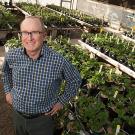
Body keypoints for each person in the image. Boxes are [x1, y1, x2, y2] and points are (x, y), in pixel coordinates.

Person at [2, 16, 82, 135]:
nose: (29, 38)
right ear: (21, 35)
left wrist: (61, 101)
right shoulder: (12, 56)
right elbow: (6, 72)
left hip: (42, 120)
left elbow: (75, 80)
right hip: (18, 115)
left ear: (44, 35)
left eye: (35, 32)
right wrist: (8, 91)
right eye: (25, 32)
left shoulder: (58, 61)